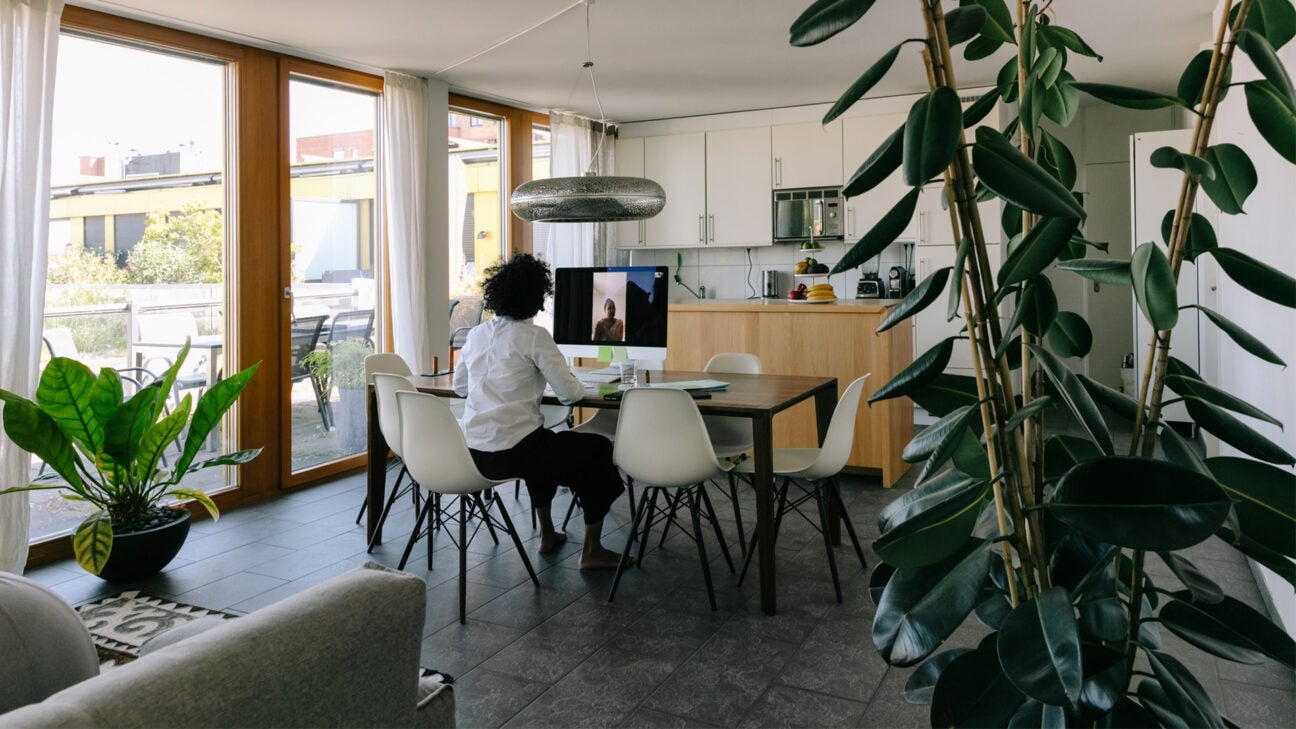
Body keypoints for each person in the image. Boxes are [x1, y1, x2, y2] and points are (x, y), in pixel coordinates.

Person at [453, 254, 627, 569]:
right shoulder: (535, 337)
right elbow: (570, 395)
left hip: (472, 454)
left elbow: (460, 388)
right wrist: (567, 378)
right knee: (597, 449)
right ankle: (592, 551)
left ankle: (548, 534)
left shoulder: (475, 335)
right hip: (516, 453)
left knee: (543, 444)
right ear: (536, 298)